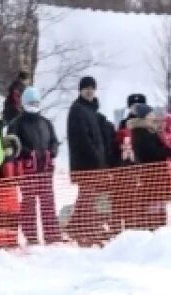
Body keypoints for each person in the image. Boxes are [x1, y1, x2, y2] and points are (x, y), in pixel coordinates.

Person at [5, 87, 60, 245]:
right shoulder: (16, 123)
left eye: (36, 102)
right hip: (27, 170)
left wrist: (52, 151)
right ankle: (31, 236)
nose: (33, 105)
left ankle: (52, 235)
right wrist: (28, 153)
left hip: (45, 170)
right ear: (23, 103)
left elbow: (54, 141)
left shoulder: (46, 123)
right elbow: (13, 144)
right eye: (30, 103)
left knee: (48, 203)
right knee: (28, 203)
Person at [66, 76, 112, 245]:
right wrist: (95, 156)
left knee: (88, 198)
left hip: (95, 163)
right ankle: (86, 230)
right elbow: (83, 139)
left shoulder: (91, 111)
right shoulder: (78, 110)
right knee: (88, 198)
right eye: (86, 88)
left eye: (92, 88)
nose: (89, 90)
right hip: (85, 163)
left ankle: (76, 228)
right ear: (80, 90)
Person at [127, 104, 171, 230]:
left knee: (160, 207)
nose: (153, 117)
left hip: (157, 177)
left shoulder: (150, 131)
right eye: (150, 114)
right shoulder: (141, 132)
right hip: (151, 178)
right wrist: (170, 152)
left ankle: (159, 229)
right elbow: (151, 152)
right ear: (143, 117)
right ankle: (154, 230)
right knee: (153, 209)